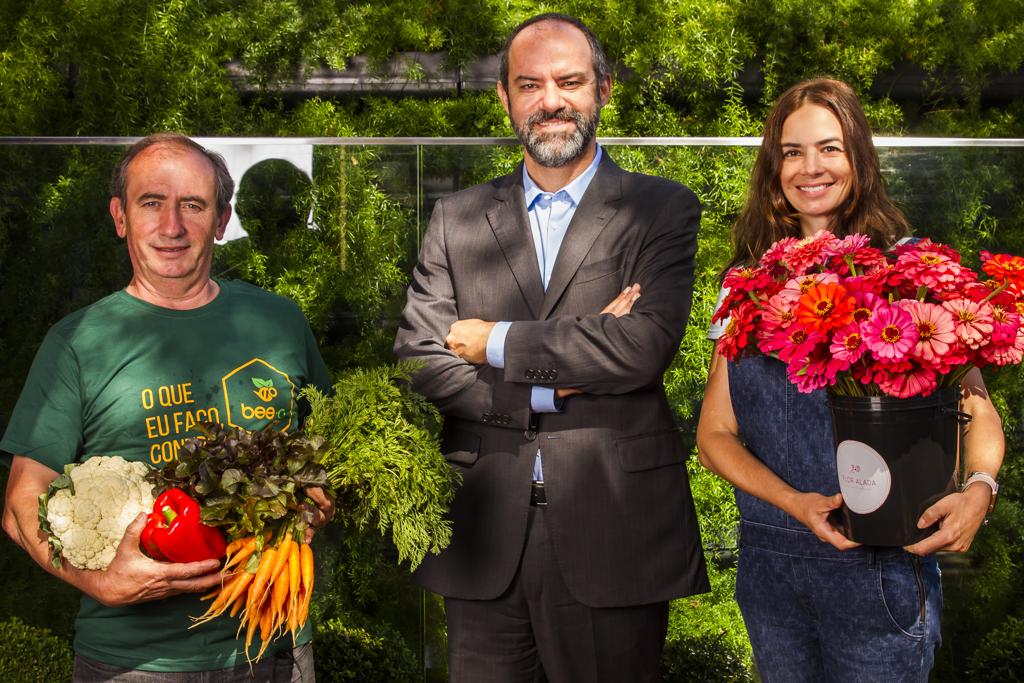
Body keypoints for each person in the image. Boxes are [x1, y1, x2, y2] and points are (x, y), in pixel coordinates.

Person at [394, 13, 709, 682]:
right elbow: (422, 355)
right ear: (504, 98)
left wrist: (493, 340)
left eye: (569, 81)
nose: (551, 101)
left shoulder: (660, 210)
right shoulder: (456, 218)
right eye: (529, 84)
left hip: (615, 530)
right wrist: (553, 378)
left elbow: (640, 347)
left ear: (604, 89)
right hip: (481, 531)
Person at [696, 78, 1005, 682]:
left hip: (881, 574)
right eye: (792, 152)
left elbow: (976, 407)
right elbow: (715, 433)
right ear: (773, 166)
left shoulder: (911, 271)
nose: (810, 168)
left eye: (829, 148)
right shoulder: (747, 282)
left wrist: (980, 489)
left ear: (859, 158)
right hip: (773, 575)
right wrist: (794, 503)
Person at [1, 133, 332, 680]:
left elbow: (332, 451)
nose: (172, 226)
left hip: (277, 647)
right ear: (120, 217)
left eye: (193, 206)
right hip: (136, 662)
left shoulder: (279, 322)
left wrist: (324, 495)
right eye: (151, 202)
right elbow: (21, 503)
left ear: (222, 221)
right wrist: (100, 582)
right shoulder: (78, 342)